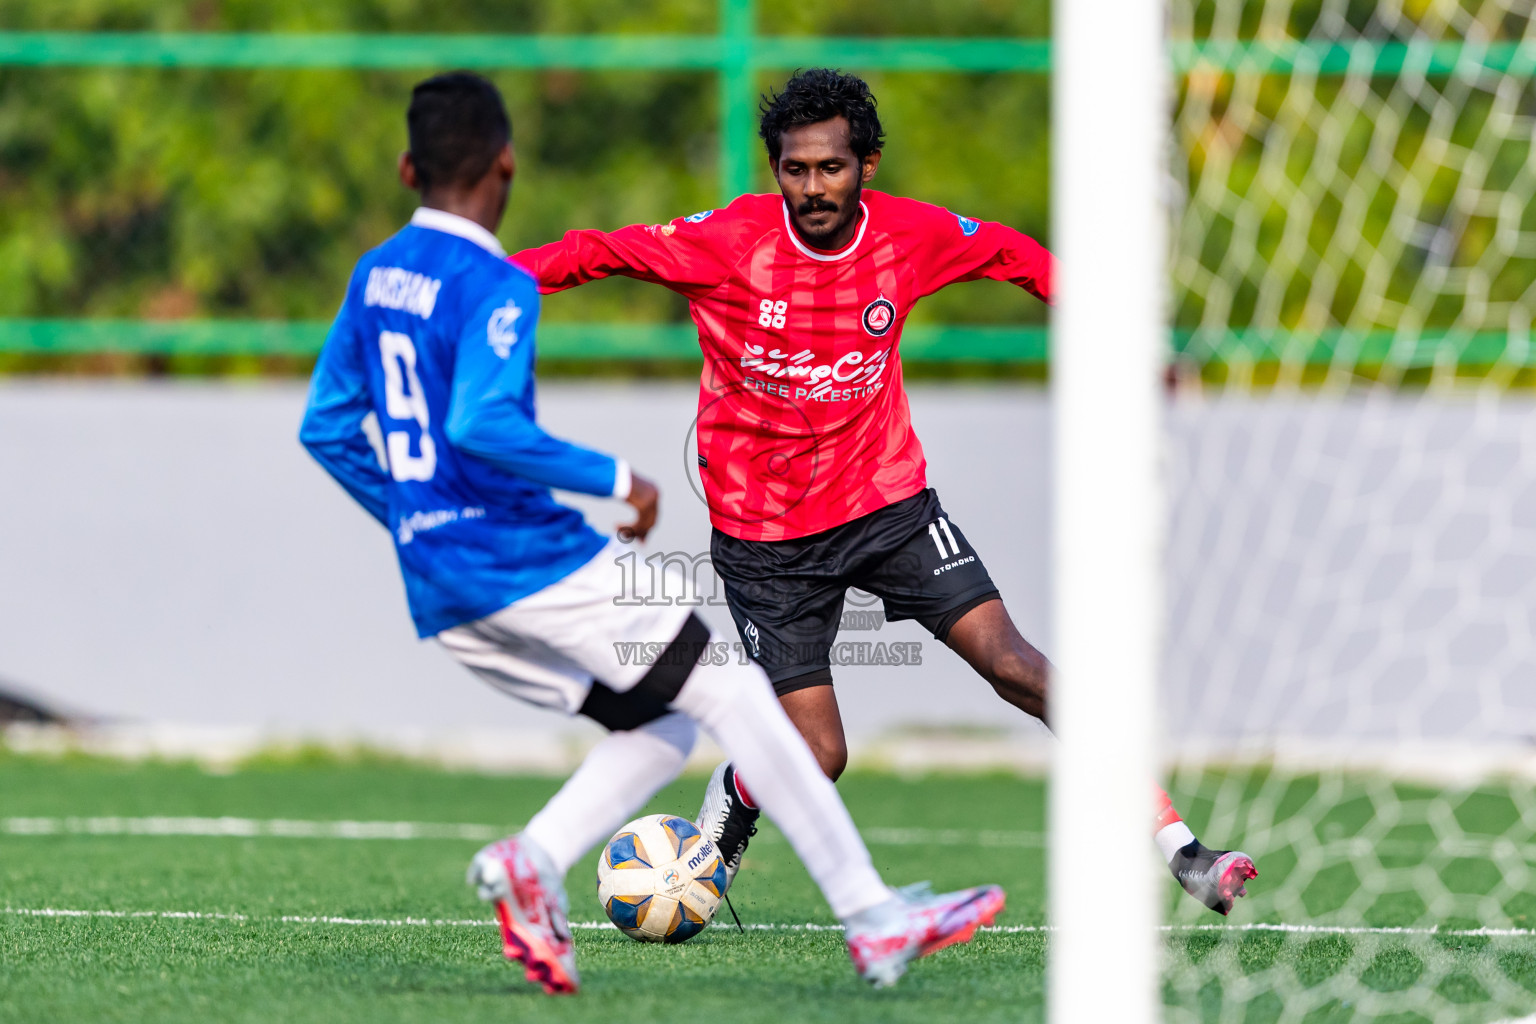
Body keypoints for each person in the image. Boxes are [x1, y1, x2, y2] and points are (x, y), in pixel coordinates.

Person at [298, 71, 1005, 996]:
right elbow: (482, 425)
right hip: (528, 559)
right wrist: (614, 479)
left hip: (437, 584)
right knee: (743, 700)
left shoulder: (377, 273)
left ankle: (535, 856)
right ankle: (875, 919)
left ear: (406, 167)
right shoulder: (495, 282)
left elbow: (326, 427)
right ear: (505, 164)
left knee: (666, 722)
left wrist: (412, 515)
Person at [513, 67, 1257, 916]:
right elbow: (594, 252)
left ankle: (1183, 851)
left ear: (865, 165)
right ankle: (731, 802)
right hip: (764, 538)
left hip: (887, 503)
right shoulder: (727, 242)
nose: (812, 187)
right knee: (818, 755)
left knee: (1017, 665)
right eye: (795, 169)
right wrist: (479, 287)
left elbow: (1015, 254)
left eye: (831, 167)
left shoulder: (911, 236)